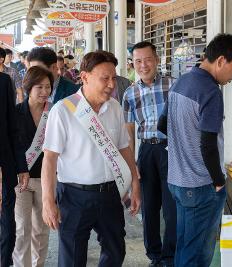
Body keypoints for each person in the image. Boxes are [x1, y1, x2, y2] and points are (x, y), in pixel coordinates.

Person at [41, 50, 141, 267]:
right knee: (72, 257)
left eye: (113, 77)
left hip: (110, 194)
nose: (111, 84)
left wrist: (134, 182)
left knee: (115, 251)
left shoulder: (114, 107)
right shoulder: (63, 110)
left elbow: (124, 148)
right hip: (74, 196)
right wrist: (48, 201)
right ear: (84, 77)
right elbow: (49, 159)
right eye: (105, 78)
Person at [158, 34, 232, 267]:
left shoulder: (181, 82)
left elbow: (161, 124)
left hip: (177, 181)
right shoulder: (210, 92)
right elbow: (207, 144)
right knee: (197, 254)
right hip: (200, 186)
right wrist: (218, 180)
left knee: (185, 246)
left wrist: (183, 147)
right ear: (221, 61)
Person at [123, 41, 176, 267]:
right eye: (138, 61)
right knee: (150, 207)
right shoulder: (130, 93)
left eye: (147, 59)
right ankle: (154, 255)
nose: (143, 65)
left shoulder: (174, 85)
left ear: (156, 59)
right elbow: (129, 132)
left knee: (172, 207)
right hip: (146, 150)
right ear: (133, 64)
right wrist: (132, 165)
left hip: (171, 150)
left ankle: (170, 255)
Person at [13, 66, 54, 267]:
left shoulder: (54, 113)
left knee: (41, 229)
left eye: (48, 87)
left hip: (45, 178)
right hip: (20, 179)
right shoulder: (15, 112)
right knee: (21, 229)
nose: (45, 92)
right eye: (40, 87)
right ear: (28, 87)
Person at [0, 72, 20, 267]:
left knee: (7, 221)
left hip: (3, 166)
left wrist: (20, 165)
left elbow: (12, 125)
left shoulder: (4, 81)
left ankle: (4, 262)